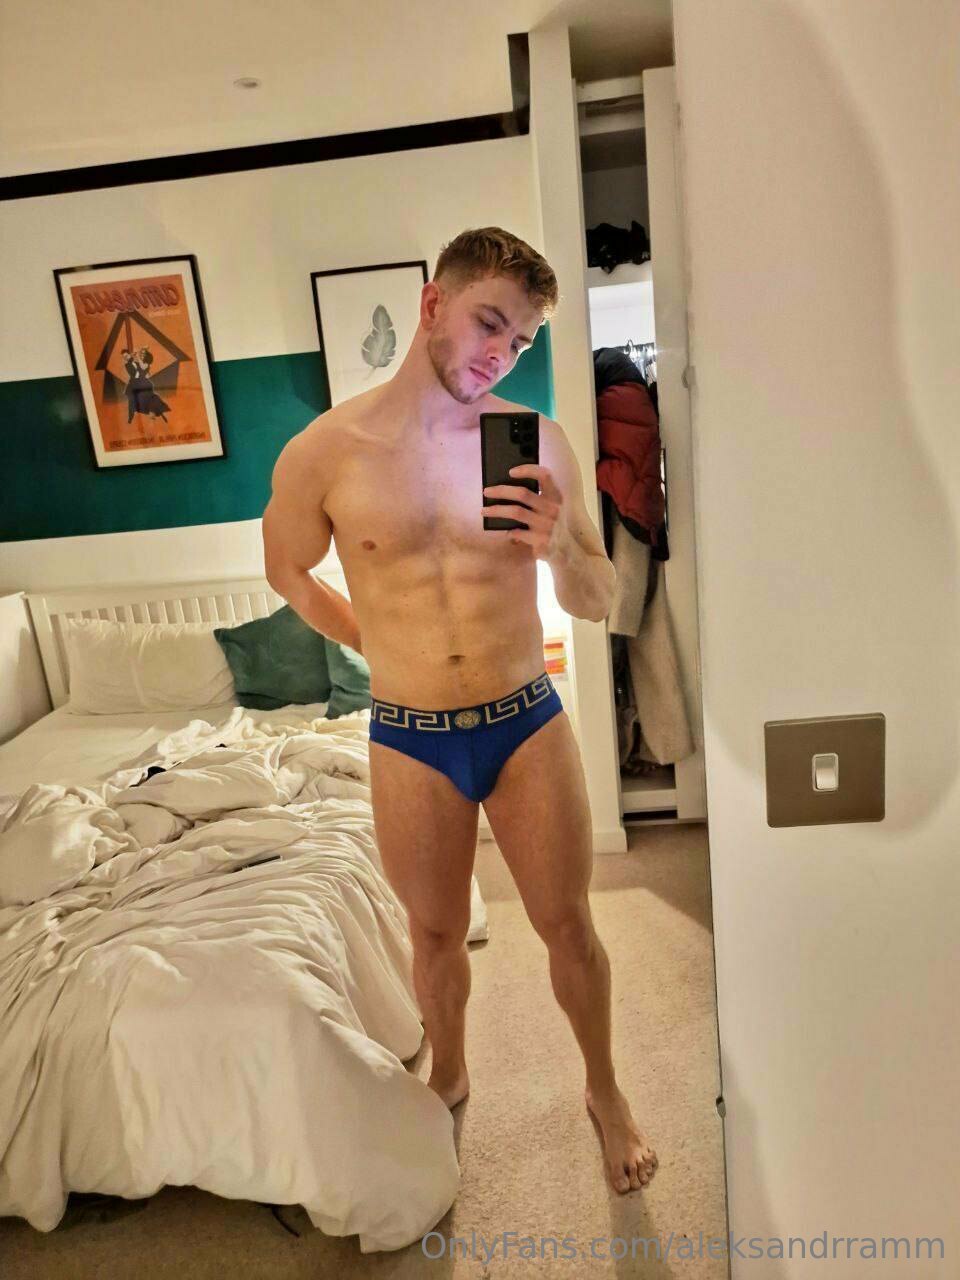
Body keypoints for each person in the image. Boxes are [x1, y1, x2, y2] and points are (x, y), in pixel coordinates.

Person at [261, 226, 658, 1195]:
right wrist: (375, 645)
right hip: (411, 738)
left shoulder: (537, 440)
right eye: (490, 323)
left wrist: (558, 548)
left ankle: (605, 1088)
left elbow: (602, 597)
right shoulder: (326, 452)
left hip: (526, 722)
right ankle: (450, 1071)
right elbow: (286, 569)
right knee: (433, 935)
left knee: (569, 924)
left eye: (519, 341)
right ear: (432, 303)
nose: (500, 354)